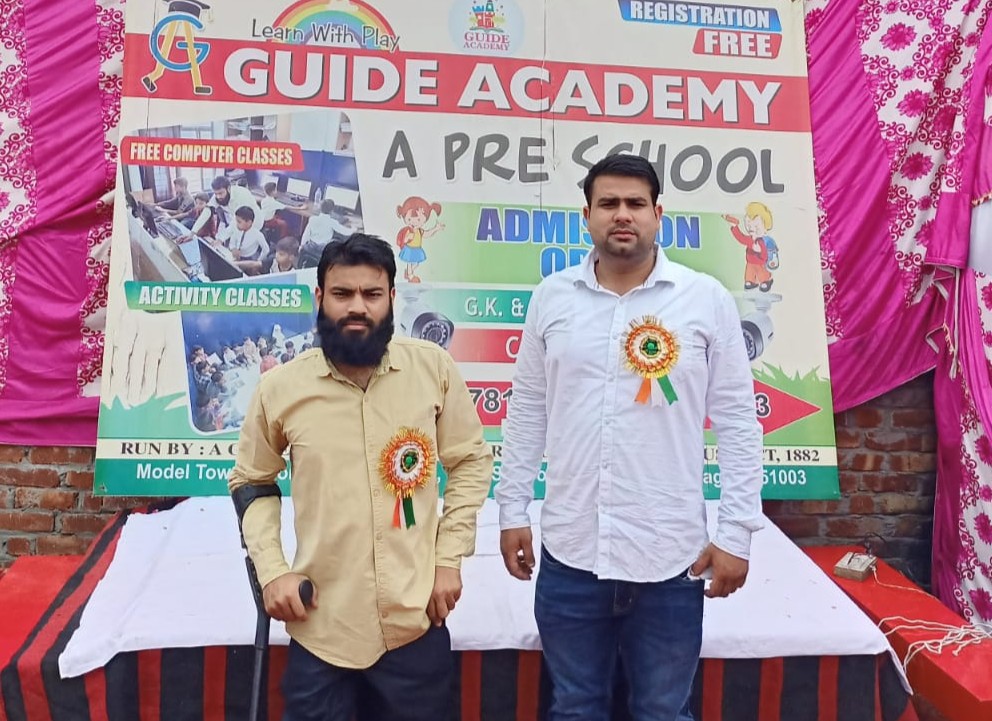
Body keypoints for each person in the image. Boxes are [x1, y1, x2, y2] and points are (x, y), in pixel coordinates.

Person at [495, 154, 764, 721]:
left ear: (658, 214)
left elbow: (738, 421)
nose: (623, 215)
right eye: (609, 203)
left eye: (636, 204)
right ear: (586, 216)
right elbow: (528, 410)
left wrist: (737, 534)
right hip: (571, 554)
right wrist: (511, 508)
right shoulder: (552, 297)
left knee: (663, 712)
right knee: (575, 707)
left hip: (670, 559)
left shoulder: (704, 299)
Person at [229, 233, 493, 721]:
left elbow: (471, 461)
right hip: (322, 627)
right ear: (319, 298)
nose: (357, 307)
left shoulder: (432, 369)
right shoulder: (281, 388)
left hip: (415, 622)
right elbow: (252, 481)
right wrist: (273, 572)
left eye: (371, 294)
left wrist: (448, 559)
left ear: (391, 298)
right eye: (342, 293)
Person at [190, 175, 261, 237]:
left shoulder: (242, 195)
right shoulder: (218, 195)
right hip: (238, 223)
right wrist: (192, 233)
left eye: (220, 193)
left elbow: (238, 220)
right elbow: (207, 211)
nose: (218, 197)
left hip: (254, 224)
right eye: (216, 194)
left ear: (229, 188)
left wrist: (221, 238)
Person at [220, 205, 268, 274]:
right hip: (237, 257)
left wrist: (258, 262)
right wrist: (233, 248)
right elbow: (232, 242)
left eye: (239, 222)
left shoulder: (257, 234)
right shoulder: (236, 230)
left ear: (249, 222)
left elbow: (266, 249)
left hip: (250, 259)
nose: (237, 224)